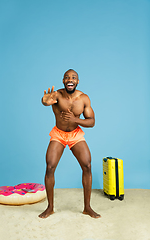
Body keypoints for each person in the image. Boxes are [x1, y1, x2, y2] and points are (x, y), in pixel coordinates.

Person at [39, 69, 101, 219]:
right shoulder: (57, 95)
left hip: (75, 135)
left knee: (87, 165)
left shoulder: (84, 98)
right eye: (67, 77)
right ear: (63, 81)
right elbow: (46, 101)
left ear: (77, 81)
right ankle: (50, 207)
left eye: (73, 77)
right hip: (58, 134)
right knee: (50, 167)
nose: (70, 79)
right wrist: (44, 101)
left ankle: (87, 207)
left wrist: (75, 120)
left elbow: (91, 121)